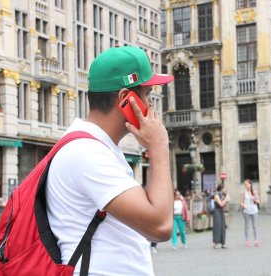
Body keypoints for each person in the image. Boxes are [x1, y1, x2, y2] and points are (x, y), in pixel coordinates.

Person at [45, 46, 174, 275]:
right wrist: (159, 148)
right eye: (147, 95)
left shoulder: (95, 148)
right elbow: (160, 226)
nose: (151, 105)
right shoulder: (87, 153)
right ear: (126, 98)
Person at [240, 179, 260, 247]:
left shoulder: (254, 191)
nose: (246, 185)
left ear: (250, 184)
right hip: (246, 211)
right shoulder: (243, 192)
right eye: (245, 184)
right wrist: (244, 205)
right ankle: (247, 240)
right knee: (247, 226)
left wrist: (254, 197)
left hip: (254, 210)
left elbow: (258, 201)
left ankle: (256, 240)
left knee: (255, 226)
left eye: (247, 184)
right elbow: (241, 202)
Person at [212, 184, 230, 249]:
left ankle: (223, 243)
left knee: (223, 226)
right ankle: (215, 243)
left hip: (221, 211)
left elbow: (224, 204)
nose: (225, 189)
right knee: (217, 227)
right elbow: (221, 204)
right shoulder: (216, 195)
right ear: (221, 188)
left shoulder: (222, 195)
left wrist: (226, 199)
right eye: (224, 188)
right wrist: (226, 199)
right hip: (217, 211)